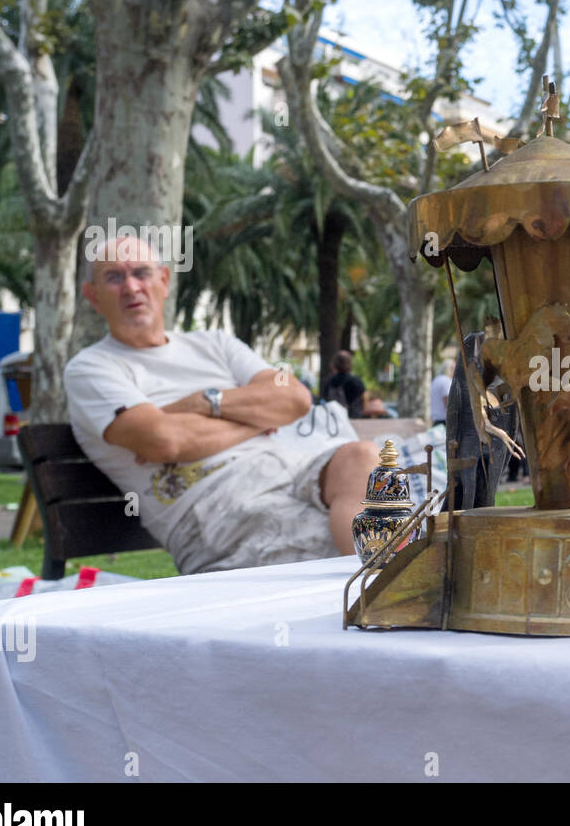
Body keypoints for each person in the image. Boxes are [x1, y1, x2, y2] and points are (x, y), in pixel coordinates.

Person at [64, 236, 380, 575]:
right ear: (93, 297)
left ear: (164, 281)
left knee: (362, 458)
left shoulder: (213, 343)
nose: (131, 287)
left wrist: (203, 401)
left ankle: (376, 592)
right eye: (114, 277)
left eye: (142, 273)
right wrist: (257, 419)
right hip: (212, 507)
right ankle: (376, 597)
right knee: (362, 546)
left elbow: (294, 399)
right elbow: (165, 440)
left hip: (292, 468)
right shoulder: (91, 368)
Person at [323, 350, 367, 418]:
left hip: (334, 419)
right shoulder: (356, 381)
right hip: (353, 418)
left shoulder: (329, 381)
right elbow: (364, 399)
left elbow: (325, 399)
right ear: (350, 363)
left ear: (334, 364)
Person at [430, 358, 454, 427]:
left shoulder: (436, 379)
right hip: (445, 421)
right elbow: (448, 403)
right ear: (450, 369)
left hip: (436, 420)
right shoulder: (446, 381)